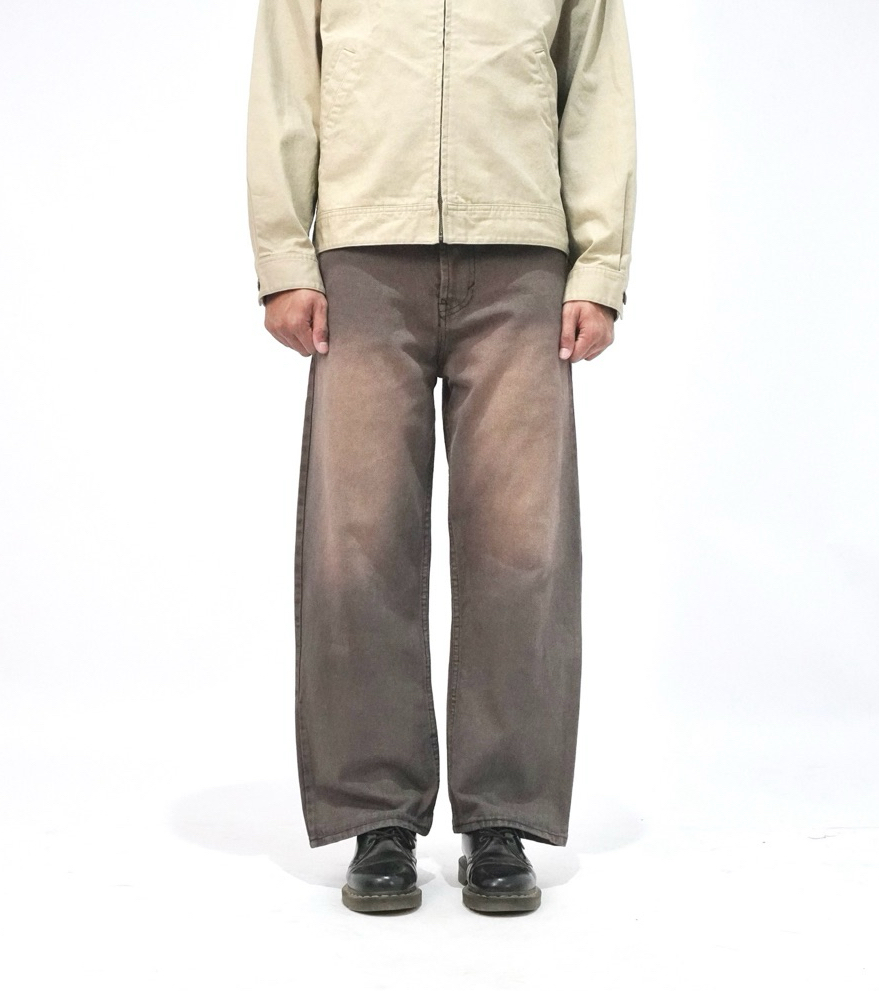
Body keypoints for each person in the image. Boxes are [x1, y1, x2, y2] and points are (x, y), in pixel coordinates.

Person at [245, 0, 636, 914]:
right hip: (362, 255)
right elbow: (285, 87)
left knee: (522, 547)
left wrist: (599, 266)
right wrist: (284, 258)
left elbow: (596, 90)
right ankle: (377, 817)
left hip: (522, 258)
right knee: (358, 541)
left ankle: (501, 818)